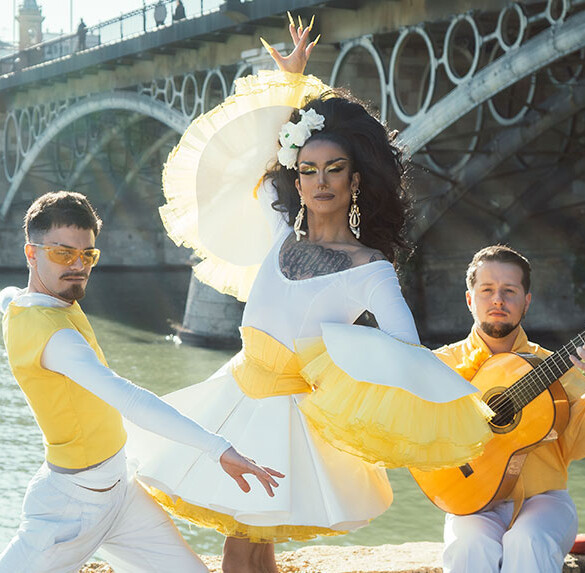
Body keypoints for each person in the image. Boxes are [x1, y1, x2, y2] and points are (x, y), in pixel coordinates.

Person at [127, 18, 492, 573]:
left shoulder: (370, 269)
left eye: (334, 170)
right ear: (296, 181)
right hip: (234, 395)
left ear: (354, 180)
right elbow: (250, 154)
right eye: (309, 170)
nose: (321, 181)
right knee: (250, 539)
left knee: (243, 543)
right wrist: (293, 86)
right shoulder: (280, 230)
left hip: (288, 415)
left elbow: (404, 351)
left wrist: (450, 389)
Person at [0, 191, 283, 573]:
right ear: (31, 254)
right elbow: (129, 400)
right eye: (63, 253)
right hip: (68, 510)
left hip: (121, 493)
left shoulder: (27, 303)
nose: (78, 265)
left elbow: (9, 295)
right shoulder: (56, 339)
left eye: (87, 254)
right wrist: (218, 449)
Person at [432, 245, 585, 573]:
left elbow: (575, 447)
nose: (498, 299)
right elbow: (412, 432)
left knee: (527, 540)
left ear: (526, 301)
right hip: (468, 500)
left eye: (509, 291)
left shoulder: (561, 370)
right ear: (470, 299)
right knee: (468, 546)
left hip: (543, 501)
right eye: (487, 290)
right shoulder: (439, 366)